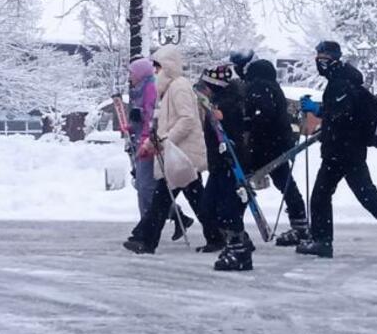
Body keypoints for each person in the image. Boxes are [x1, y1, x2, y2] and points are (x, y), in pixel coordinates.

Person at [294, 41, 377, 259]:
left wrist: (317, 110)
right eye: (317, 59)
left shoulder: (340, 83)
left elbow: (340, 114)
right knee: (365, 195)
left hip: (341, 151)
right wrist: (321, 109)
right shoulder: (343, 80)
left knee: (324, 196)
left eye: (323, 59)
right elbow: (340, 110)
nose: (319, 63)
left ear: (334, 60)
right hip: (348, 150)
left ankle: (323, 241)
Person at [122, 45, 223, 255]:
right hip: (178, 154)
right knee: (191, 198)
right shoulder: (171, 88)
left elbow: (187, 119)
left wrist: (165, 140)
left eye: (157, 67)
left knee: (163, 198)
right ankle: (216, 236)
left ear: (167, 67)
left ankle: (146, 240)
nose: (155, 72)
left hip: (181, 154)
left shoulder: (178, 87)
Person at [229, 49, 309, 244]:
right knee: (284, 181)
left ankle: (231, 226)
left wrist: (246, 123)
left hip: (265, 144)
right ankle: (300, 223)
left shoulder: (257, 84)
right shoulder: (265, 80)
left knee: (242, 182)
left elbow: (263, 114)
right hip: (276, 142)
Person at [196, 64, 256, 271]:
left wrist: (224, 117)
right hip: (218, 163)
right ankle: (237, 242)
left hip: (231, 162)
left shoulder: (232, 103)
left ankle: (239, 249)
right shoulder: (218, 102)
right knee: (208, 206)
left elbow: (238, 127)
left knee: (227, 208)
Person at [127, 58, 194, 237]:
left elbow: (153, 117)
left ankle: (148, 227)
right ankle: (163, 220)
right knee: (144, 186)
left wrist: (146, 138)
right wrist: (132, 125)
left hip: (148, 144)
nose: (129, 76)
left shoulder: (150, 88)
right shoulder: (139, 90)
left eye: (131, 72)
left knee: (146, 186)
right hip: (143, 141)